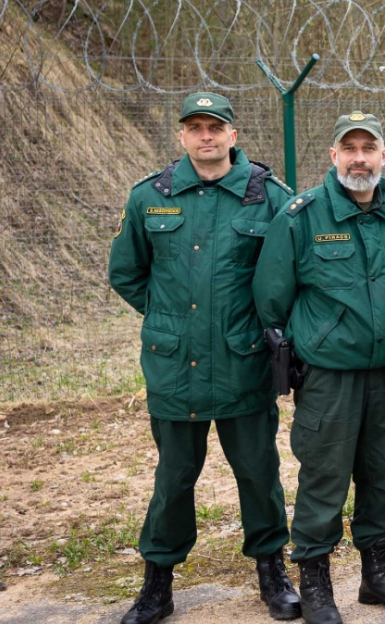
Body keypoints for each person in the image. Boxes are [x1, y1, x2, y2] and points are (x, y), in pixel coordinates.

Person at [108, 92, 299, 624]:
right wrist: (169, 317)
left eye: (215, 127)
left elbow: (288, 273)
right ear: (182, 136)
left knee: (259, 474)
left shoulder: (270, 198)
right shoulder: (151, 198)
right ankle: (157, 585)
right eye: (195, 127)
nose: (206, 136)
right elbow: (126, 271)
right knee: (173, 480)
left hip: (244, 363)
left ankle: (272, 572)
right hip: (175, 366)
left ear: (233, 135)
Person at [253, 112, 385, 624]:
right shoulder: (302, 216)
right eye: (348, 148)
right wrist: (302, 349)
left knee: (384, 474)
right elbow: (271, 297)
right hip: (328, 377)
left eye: (367, 148)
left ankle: (378, 574)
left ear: (383, 156)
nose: (358, 158)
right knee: (324, 477)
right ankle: (317, 581)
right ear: (332, 157)